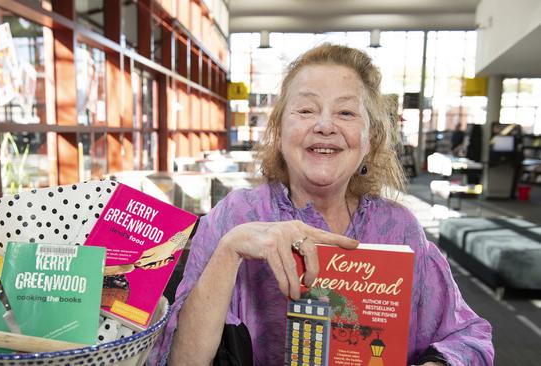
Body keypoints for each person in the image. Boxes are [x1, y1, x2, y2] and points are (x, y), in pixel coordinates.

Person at [148, 44, 493, 366]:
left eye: (345, 112)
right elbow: (181, 359)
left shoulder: (398, 229)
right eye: (306, 109)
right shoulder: (236, 216)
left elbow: (468, 335)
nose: (325, 125)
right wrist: (230, 251)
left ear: (370, 138)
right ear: (280, 131)